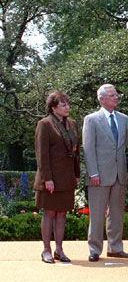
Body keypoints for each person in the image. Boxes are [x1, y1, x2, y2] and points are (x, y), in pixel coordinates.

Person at [82, 84, 128, 262]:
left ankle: (115, 247)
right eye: (111, 95)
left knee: (117, 213)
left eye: (116, 94)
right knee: (96, 213)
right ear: (101, 99)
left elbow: (122, 145)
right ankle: (94, 249)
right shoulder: (91, 119)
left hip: (118, 173)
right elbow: (88, 149)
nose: (116, 97)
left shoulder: (124, 118)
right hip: (99, 175)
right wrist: (93, 173)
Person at [34, 91, 80, 263]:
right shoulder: (44, 124)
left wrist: (76, 173)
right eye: (63, 105)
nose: (67, 107)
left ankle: (59, 249)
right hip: (51, 177)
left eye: (68, 104)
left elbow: (76, 152)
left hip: (67, 177)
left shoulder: (73, 124)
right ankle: (46, 250)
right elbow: (41, 154)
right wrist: (47, 179)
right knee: (49, 213)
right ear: (53, 108)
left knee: (62, 214)